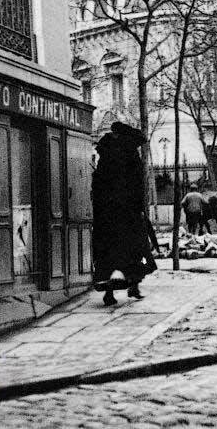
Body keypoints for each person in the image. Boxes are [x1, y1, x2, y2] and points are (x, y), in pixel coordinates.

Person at [92, 122, 157, 306]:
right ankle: (133, 286)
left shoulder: (104, 155)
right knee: (134, 250)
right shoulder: (130, 155)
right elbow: (137, 186)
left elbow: (97, 185)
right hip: (128, 213)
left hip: (106, 215)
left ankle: (109, 292)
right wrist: (140, 209)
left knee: (108, 253)